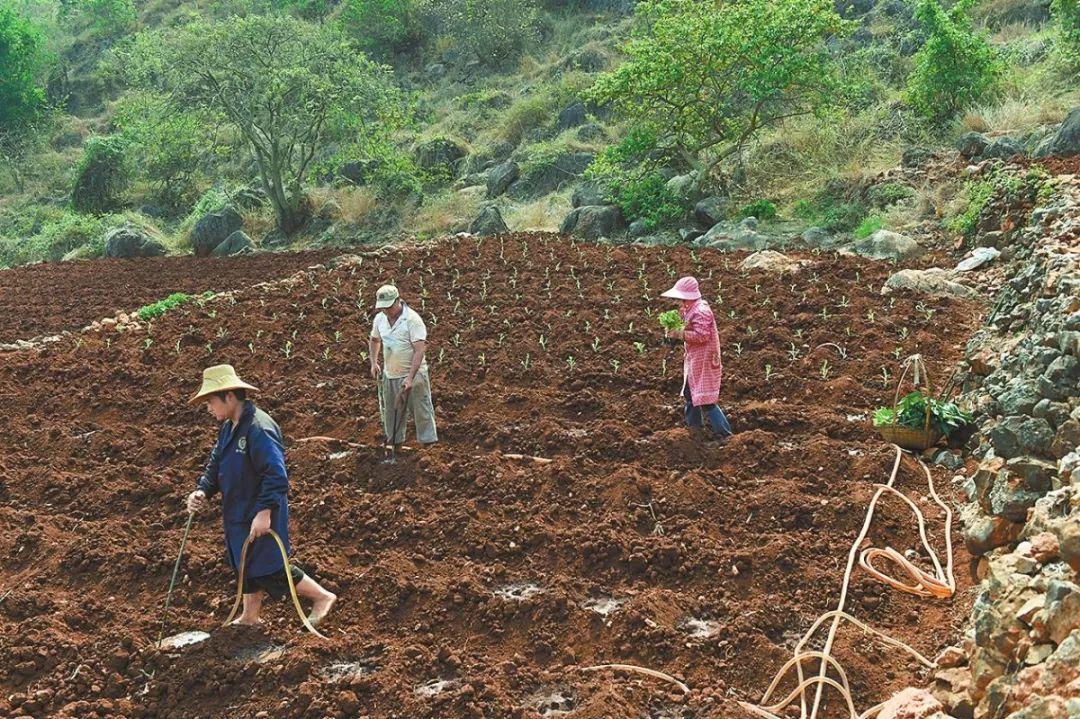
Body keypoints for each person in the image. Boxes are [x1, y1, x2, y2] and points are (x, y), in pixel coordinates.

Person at [185, 364, 336, 626]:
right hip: (238, 510)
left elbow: (276, 475)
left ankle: (322, 596)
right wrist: (202, 490)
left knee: (271, 566)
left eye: (210, 401)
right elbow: (216, 463)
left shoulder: (259, 428)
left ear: (229, 396)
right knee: (246, 563)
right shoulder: (229, 427)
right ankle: (250, 615)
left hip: (259, 511)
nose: (208, 408)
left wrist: (264, 512)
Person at [661, 276, 733, 441]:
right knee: (690, 393)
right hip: (695, 359)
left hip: (705, 359)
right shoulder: (688, 308)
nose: (677, 301)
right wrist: (671, 332)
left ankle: (725, 435)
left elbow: (702, 335)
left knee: (706, 400)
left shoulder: (701, 311)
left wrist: (680, 334)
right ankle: (694, 430)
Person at [368, 284, 438, 452]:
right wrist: (374, 362)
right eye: (383, 308)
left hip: (414, 374)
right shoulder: (380, 319)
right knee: (392, 412)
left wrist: (410, 378)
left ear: (398, 301)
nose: (386, 311)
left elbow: (419, 350)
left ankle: (429, 447)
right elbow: (374, 340)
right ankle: (395, 445)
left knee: (421, 410)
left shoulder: (412, 320)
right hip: (391, 374)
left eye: (389, 307)